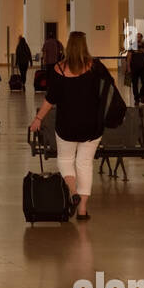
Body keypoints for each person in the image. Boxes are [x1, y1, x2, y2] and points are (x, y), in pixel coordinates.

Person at [29, 31, 118, 221]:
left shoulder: (58, 70)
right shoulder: (96, 67)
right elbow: (110, 88)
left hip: (67, 125)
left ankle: (73, 191)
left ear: (68, 46)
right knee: (84, 164)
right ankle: (83, 209)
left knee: (65, 160)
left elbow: (49, 100)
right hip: (92, 126)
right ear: (85, 46)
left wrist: (38, 119)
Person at [125, 33, 144, 105]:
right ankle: (136, 98)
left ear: (141, 38)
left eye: (139, 37)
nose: (138, 38)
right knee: (135, 84)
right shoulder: (132, 46)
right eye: (137, 37)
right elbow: (129, 58)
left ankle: (142, 95)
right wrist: (128, 67)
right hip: (134, 68)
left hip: (143, 68)